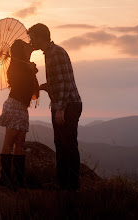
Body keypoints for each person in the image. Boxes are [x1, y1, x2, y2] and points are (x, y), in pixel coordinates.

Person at [27, 23, 82, 191]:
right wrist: (40, 87)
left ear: (39, 36)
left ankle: (72, 186)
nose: (30, 41)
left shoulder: (56, 53)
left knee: (68, 145)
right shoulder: (49, 53)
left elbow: (65, 83)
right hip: (62, 105)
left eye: (32, 38)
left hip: (68, 106)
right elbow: (56, 82)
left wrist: (60, 109)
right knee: (60, 144)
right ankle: (63, 183)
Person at [0, 39, 39, 189]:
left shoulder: (25, 66)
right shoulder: (16, 68)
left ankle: (18, 180)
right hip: (14, 105)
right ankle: (4, 179)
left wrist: (31, 72)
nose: (30, 46)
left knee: (20, 143)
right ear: (20, 49)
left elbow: (34, 93)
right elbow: (20, 86)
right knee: (9, 142)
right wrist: (30, 71)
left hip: (21, 108)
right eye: (26, 45)